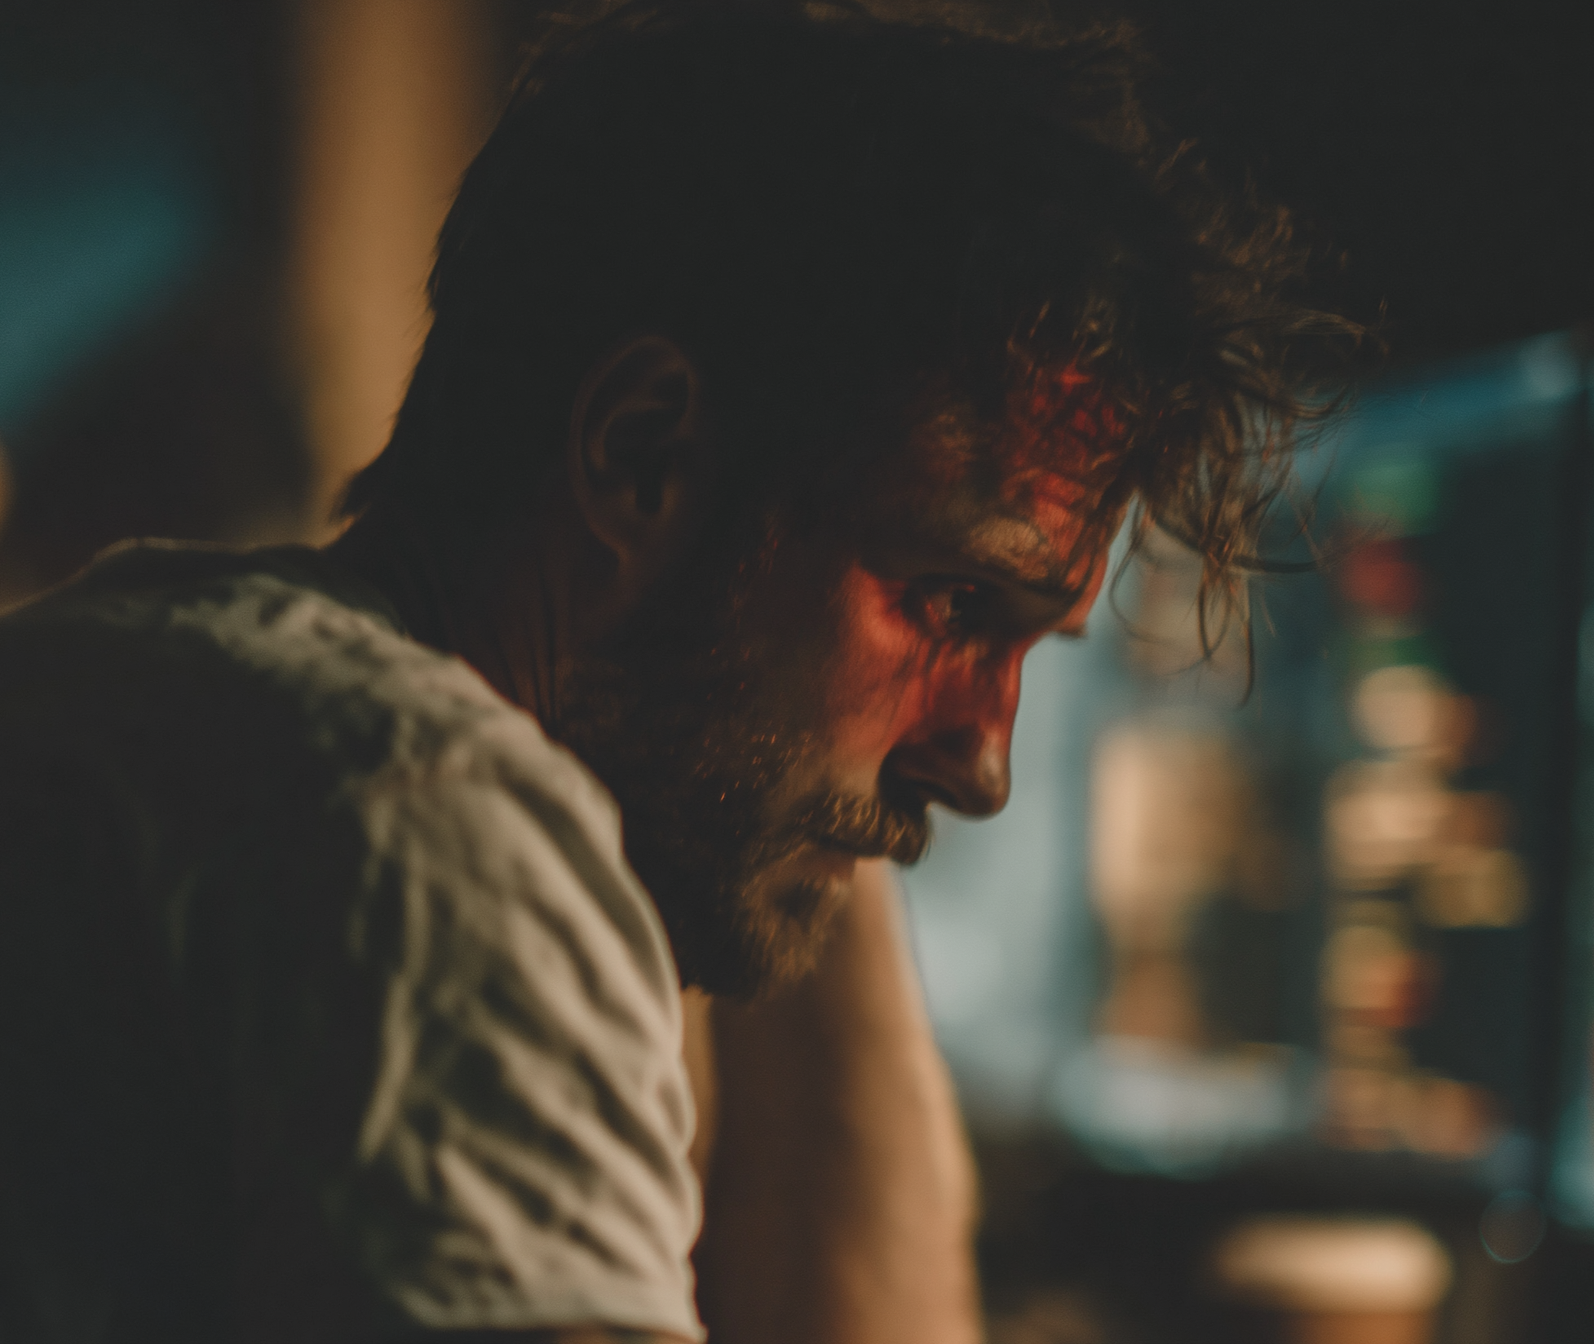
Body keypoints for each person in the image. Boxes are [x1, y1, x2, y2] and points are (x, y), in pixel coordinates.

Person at [0, 2, 1354, 1340]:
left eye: (1029, 645)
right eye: (954, 602)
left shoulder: (168, 669)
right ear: (641, 455)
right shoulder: (430, 840)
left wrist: (797, 735)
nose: (987, 762)